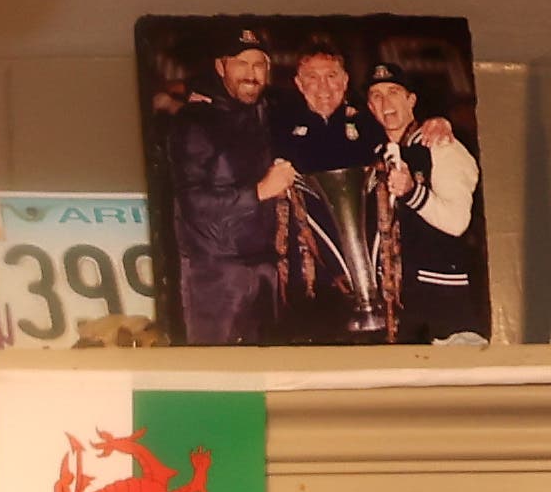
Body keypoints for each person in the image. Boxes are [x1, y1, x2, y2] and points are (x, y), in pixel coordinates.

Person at [162, 28, 292, 344]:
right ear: (221, 68)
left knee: (265, 381)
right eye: (241, 63)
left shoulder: (268, 111)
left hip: (265, 272)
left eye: (258, 65)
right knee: (216, 379)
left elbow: (323, 100)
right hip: (215, 278)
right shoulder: (194, 121)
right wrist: (260, 191)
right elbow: (193, 203)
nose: (251, 74)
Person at [266, 43, 392, 341]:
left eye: (332, 76)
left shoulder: (368, 124)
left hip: (366, 263)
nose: (323, 86)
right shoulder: (278, 126)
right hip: (311, 270)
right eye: (312, 77)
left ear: (345, 80)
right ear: (298, 83)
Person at [370, 69, 485, 341]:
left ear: (411, 100)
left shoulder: (442, 145)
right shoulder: (377, 153)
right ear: (369, 107)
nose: (386, 104)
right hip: (401, 311)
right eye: (376, 96)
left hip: (445, 309)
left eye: (394, 93)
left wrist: (412, 193)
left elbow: (457, 222)